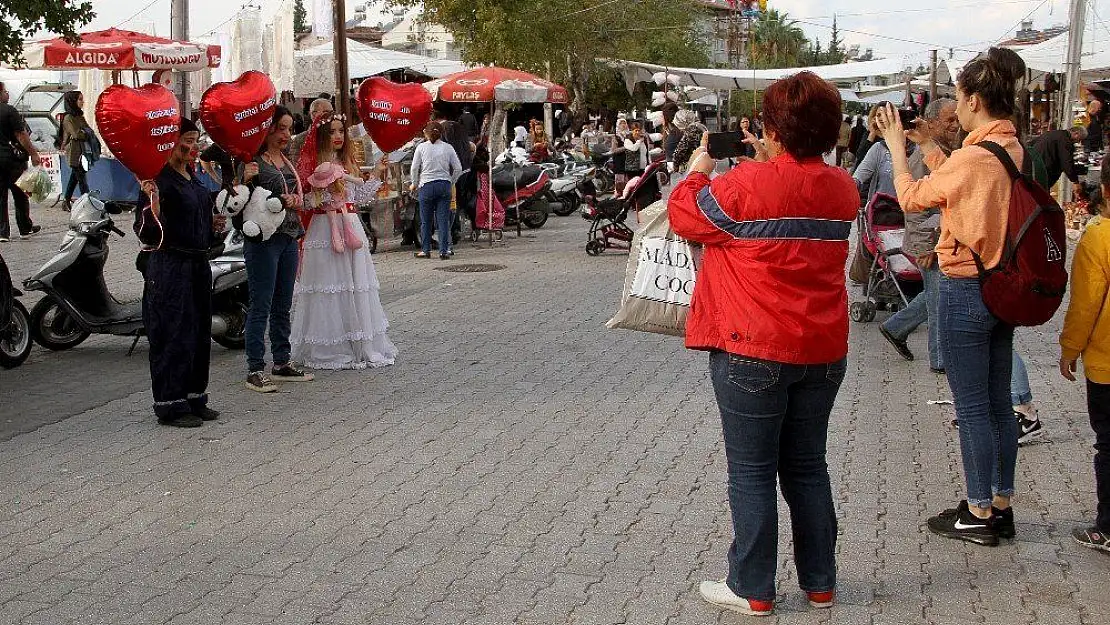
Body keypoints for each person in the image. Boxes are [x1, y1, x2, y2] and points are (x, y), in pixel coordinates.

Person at [670, 71, 858, 617]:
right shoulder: (842, 187)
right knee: (807, 466)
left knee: (751, 472)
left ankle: (752, 587)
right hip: (823, 350)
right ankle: (820, 582)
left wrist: (700, 166)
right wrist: (771, 156)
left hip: (753, 348)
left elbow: (687, 214)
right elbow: (794, 189)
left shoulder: (746, 185)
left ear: (773, 127)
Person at [876, 46, 1027, 546]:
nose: (956, 108)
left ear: (976, 100)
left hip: (965, 287)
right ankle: (999, 503)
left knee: (973, 406)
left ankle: (978, 512)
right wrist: (931, 149)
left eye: (960, 98)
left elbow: (916, 197)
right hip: (1001, 285)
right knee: (999, 403)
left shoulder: (973, 157)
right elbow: (964, 184)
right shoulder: (1008, 147)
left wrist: (899, 149)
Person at [134, 118, 223, 428]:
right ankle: (170, 404)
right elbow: (144, 231)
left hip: (198, 263)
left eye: (195, 139)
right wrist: (153, 206)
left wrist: (213, 225)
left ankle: (195, 397)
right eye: (186, 139)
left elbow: (199, 215)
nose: (192, 146)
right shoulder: (157, 180)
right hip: (170, 267)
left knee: (198, 332)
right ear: (169, 143)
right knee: (173, 333)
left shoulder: (193, 176)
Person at [291, 112, 396, 370]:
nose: (338, 136)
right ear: (322, 137)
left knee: (354, 283)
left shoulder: (348, 162)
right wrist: (323, 193)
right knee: (328, 284)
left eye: (341, 131)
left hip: (349, 224)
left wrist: (377, 174)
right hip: (324, 229)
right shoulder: (313, 163)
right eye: (332, 132)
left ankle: (358, 341)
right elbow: (305, 201)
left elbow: (359, 197)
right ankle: (330, 345)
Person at [876, 98, 958, 371]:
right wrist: (926, 246)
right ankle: (940, 360)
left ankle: (896, 327)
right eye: (949, 120)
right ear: (932, 123)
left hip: (941, 240)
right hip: (930, 243)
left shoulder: (946, 151)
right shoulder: (922, 160)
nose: (954, 126)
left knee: (938, 295)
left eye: (956, 119)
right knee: (938, 302)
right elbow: (916, 209)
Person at [237, 106, 315, 393]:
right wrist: (247, 179)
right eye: (280, 128)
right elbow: (240, 198)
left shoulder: (285, 160)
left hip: (289, 236)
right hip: (264, 240)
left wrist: (295, 200)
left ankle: (281, 361)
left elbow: (298, 192)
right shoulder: (253, 161)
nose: (286, 134)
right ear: (267, 129)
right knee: (261, 303)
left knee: (283, 303)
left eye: (289, 128)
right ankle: (254, 368)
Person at [1060, 154, 1110, 553]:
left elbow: (1086, 304)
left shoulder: (1098, 237)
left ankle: (1107, 526)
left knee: (1108, 444)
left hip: (1106, 363)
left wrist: (1069, 349)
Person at [409, 121, 462, 260]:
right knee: (443, 221)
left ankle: (426, 250)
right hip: (444, 186)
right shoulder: (448, 148)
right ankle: (443, 251)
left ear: (425, 133)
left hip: (426, 186)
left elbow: (414, 168)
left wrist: (414, 183)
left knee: (426, 221)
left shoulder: (421, 148)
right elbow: (458, 168)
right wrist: (451, 181)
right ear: (441, 133)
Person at [0, 81, 42, 243]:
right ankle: (25, 228)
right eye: (5, 91)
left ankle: (3, 232)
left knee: (1, 196)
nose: (8, 94)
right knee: (20, 194)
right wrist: (33, 153)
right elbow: (21, 135)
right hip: (12, 160)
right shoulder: (9, 111)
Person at [60, 90, 91, 211]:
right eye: (80, 99)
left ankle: (66, 200)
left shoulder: (79, 116)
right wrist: (85, 133)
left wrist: (86, 132)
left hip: (82, 151)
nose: (82, 102)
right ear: (72, 101)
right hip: (74, 152)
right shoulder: (68, 118)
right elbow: (77, 134)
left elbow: (88, 130)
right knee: (82, 179)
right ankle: (88, 203)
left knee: (75, 177)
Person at [1030, 125, 1087, 189]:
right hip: (1044, 172)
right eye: (1080, 139)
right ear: (1076, 133)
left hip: (1034, 167)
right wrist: (1075, 181)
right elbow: (1066, 163)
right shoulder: (1065, 141)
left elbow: (1032, 144)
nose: (1078, 142)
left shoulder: (1054, 133)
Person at [290, 98, 334, 164]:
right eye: (327, 112)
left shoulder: (338, 135)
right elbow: (296, 165)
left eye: (330, 112)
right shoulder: (300, 139)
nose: (331, 115)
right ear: (312, 114)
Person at [852, 106, 882, 174]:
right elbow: (860, 155)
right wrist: (872, 133)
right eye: (878, 115)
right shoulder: (869, 133)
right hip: (863, 176)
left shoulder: (891, 137)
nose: (881, 118)